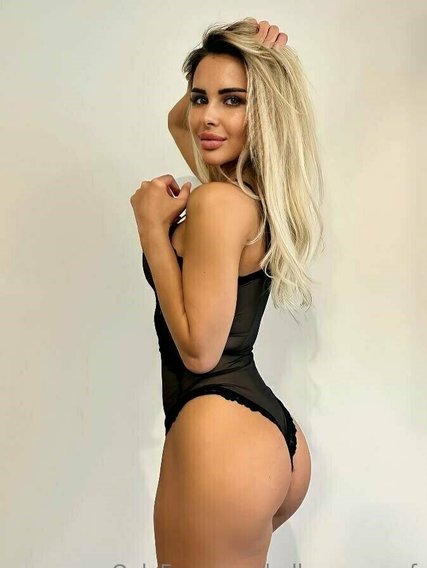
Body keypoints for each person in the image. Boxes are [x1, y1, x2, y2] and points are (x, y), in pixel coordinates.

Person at [132, 17, 324, 567]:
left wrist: (152, 232)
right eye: (202, 98)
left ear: (265, 111)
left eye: (234, 100)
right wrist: (243, 45)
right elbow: (179, 121)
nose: (207, 117)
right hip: (256, 431)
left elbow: (199, 350)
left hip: (218, 433)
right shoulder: (248, 190)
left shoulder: (219, 203)